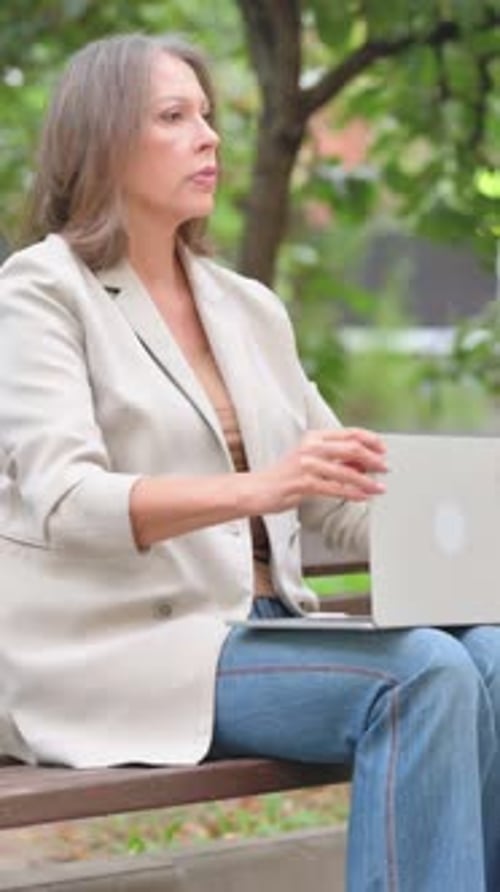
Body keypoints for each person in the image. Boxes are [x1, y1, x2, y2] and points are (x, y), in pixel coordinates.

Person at [0, 32, 499, 892]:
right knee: (419, 677)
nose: (209, 137)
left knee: (490, 653)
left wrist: (468, 522)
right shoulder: (41, 291)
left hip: (263, 630)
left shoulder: (247, 308)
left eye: (208, 115)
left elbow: (340, 497)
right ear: (104, 139)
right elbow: (65, 499)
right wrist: (259, 486)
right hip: (128, 651)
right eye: (173, 116)